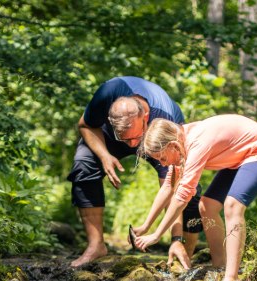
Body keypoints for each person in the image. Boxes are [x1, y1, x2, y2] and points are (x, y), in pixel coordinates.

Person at [131, 114, 257, 281]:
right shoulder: (179, 142)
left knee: (232, 206)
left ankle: (230, 279)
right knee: (207, 206)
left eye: (162, 158)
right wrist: (145, 227)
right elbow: (168, 187)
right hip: (238, 157)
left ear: (172, 146)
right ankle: (220, 268)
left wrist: (157, 234)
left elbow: (183, 195)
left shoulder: (196, 143)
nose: (162, 163)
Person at [67, 76, 202, 268]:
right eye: (125, 139)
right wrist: (105, 155)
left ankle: (182, 251)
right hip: (111, 137)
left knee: (190, 187)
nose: (132, 146)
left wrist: (175, 238)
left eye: (134, 139)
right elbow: (85, 125)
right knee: (83, 164)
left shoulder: (165, 118)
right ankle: (96, 245)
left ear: (145, 117)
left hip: (155, 136)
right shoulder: (106, 94)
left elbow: (173, 187)